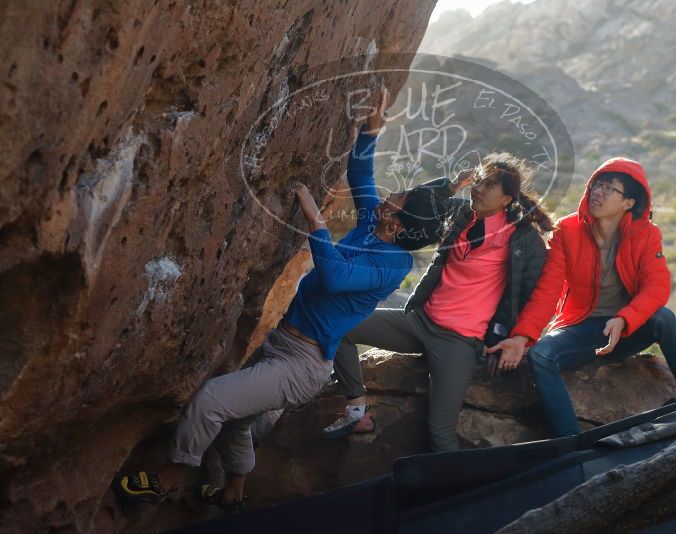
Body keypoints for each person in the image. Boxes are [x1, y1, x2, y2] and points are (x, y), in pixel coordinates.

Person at [111, 90, 450, 512]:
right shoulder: (371, 224)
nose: (387, 199)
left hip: (302, 364)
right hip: (283, 344)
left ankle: (165, 479)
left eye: (396, 202)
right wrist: (373, 127)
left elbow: (337, 276)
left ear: (400, 225)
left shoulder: (395, 262)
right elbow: (360, 174)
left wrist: (317, 223)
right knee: (236, 425)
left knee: (213, 400)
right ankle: (234, 494)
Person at [322, 153, 552, 452]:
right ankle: (356, 411)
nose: (479, 189)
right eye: (479, 181)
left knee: (440, 433)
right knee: (339, 326)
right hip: (419, 321)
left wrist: (515, 339)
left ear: (507, 198)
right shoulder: (461, 214)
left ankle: (451, 495)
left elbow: (531, 293)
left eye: (489, 185)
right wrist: (451, 186)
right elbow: (417, 205)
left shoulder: (522, 238)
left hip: (458, 341)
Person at [487, 158, 676, 438]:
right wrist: (522, 337)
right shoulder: (567, 231)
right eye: (596, 185)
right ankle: (571, 444)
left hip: (626, 330)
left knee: (663, 319)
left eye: (608, 188)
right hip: (583, 329)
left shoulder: (646, 234)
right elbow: (548, 290)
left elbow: (657, 287)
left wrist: (625, 318)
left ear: (628, 202)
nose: (597, 192)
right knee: (542, 356)